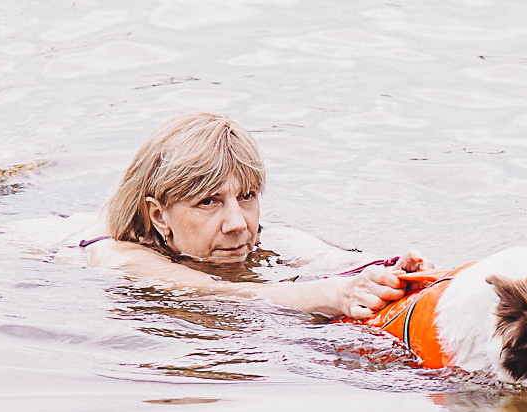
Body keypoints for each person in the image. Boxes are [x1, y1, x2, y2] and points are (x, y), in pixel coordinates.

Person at [82, 112, 425, 319]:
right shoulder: (116, 256)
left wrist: (393, 276)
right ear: (159, 216)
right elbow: (215, 293)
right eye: (208, 202)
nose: (238, 224)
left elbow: (333, 261)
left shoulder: (266, 236)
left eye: (246, 197)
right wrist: (335, 295)